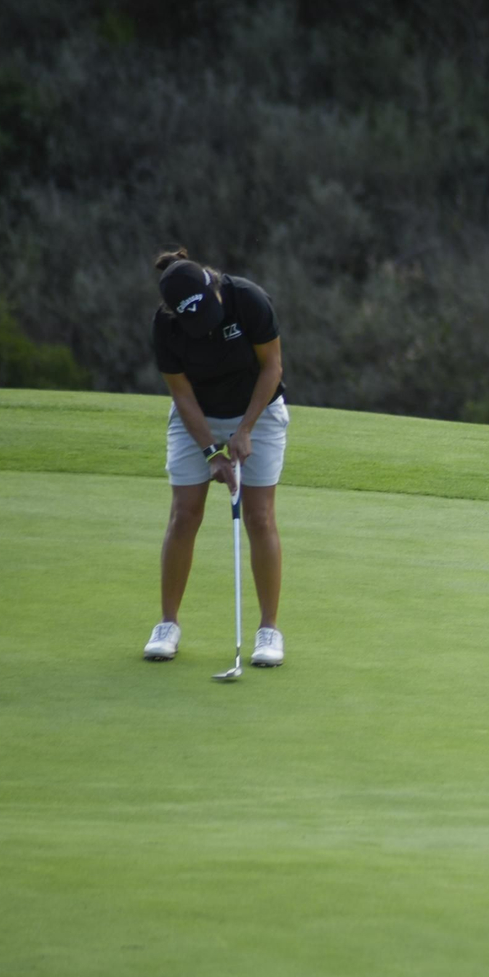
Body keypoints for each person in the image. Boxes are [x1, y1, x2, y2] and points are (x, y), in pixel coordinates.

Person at [141, 248, 290, 666]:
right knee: (184, 514)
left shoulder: (248, 300)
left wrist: (244, 429)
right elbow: (181, 393)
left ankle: (268, 631)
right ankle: (167, 624)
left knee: (259, 517)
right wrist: (211, 451)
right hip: (197, 416)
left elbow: (272, 367)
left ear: (215, 288)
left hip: (258, 409)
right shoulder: (166, 327)